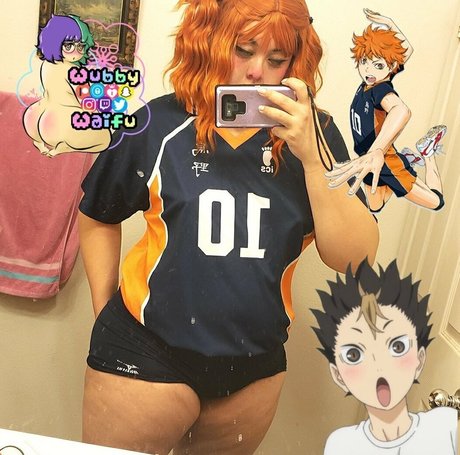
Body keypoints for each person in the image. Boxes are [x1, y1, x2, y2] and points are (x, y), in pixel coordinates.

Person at [78, 1, 379, 453]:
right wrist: (106, 313)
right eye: (244, 50)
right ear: (212, 41)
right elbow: (99, 213)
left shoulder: (314, 137)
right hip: (146, 350)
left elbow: (355, 259)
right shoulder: (159, 124)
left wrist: (313, 159)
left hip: (255, 368)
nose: (257, 71)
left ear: (295, 63)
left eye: (276, 59)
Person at [312, 259, 458, 454]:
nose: (379, 366)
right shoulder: (340, 445)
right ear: (338, 375)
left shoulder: (444, 427)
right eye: (354, 354)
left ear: (419, 359)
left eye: (397, 347)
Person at [326, 9, 446, 213]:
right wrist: (389, 23)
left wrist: (378, 151)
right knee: (375, 206)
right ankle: (407, 161)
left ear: (391, 67)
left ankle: (427, 154)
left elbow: (401, 110)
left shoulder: (381, 90)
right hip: (367, 157)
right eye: (364, 62)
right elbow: (405, 50)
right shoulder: (368, 84)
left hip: (385, 161)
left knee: (437, 202)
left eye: (378, 65)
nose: (369, 70)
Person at [22, 14, 111, 157]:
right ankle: (65, 147)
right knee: (105, 139)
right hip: (59, 125)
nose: (76, 52)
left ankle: (39, 142)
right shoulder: (75, 72)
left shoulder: (47, 64)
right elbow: (87, 102)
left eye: (80, 46)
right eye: (69, 46)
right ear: (54, 42)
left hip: (34, 119)